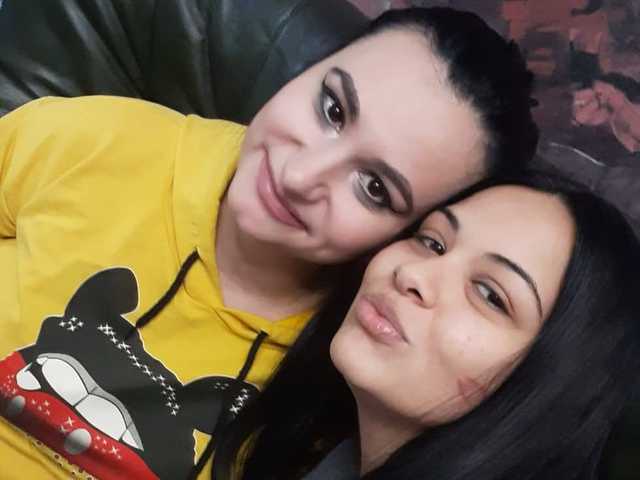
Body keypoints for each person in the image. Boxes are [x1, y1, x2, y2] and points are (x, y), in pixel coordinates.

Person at [0, 7, 537, 480]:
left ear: (407, 237)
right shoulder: (102, 141)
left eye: (374, 188)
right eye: (332, 109)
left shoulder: (355, 371)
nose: (300, 176)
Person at [214, 174, 640, 480]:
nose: (413, 274)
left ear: (556, 384)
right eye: (432, 242)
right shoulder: (327, 447)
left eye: (490, 295)